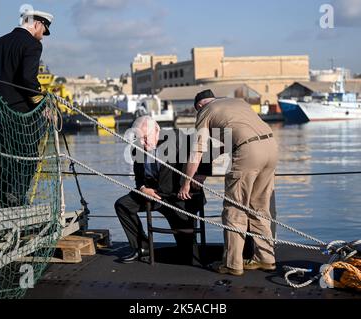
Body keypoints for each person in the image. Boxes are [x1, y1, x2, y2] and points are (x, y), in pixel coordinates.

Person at [178, 89, 278, 276]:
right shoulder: (238, 103)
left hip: (248, 151)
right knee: (260, 207)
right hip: (271, 147)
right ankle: (266, 259)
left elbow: (197, 151)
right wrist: (202, 172)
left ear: (199, 106)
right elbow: (224, 145)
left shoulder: (205, 112)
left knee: (234, 209)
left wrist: (186, 182)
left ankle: (232, 264)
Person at [0, 8, 53, 207]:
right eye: (43, 32)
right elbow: (27, 79)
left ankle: (6, 201)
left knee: (4, 158)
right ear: (37, 24)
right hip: (21, 114)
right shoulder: (32, 45)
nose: (42, 37)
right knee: (28, 156)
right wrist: (42, 105)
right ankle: (18, 198)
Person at [115, 116, 208, 265]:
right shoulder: (137, 148)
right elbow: (139, 176)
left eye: (146, 138)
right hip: (154, 195)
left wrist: (199, 176)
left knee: (189, 255)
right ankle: (141, 247)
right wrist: (142, 188)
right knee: (122, 205)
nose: (143, 143)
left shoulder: (178, 138)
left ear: (157, 130)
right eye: (140, 139)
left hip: (179, 197)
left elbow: (205, 151)